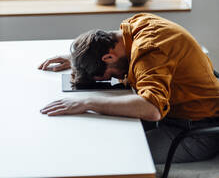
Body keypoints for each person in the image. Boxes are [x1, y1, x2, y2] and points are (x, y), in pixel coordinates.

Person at [39, 13, 219, 164]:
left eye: (109, 76)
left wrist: (88, 102)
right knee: (98, 136)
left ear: (108, 57)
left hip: (195, 133)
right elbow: (102, 47)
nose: (116, 79)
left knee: (111, 156)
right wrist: (79, 60)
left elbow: (152, 108)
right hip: (175, 117)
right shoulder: (135, 27)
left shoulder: (149, 50)